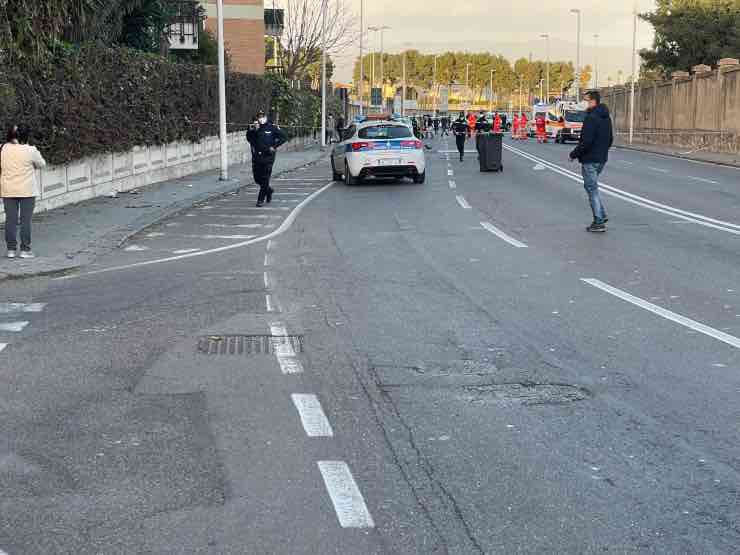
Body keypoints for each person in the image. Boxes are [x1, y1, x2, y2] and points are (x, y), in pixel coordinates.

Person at [569, 90, 614, 232]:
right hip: (601, 159)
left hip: (589, 159)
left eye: (586, 100)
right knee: (593, 187)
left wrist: (573, 154)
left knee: (591, 189)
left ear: (592, 101)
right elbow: (610, 138)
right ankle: (602, 214)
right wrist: (603, 151)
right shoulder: (606, 117)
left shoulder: (591, 118)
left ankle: (599, 221)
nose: (584, 103)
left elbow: (586, 141)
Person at [0, 124, 46, 259]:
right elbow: (42, 164)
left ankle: (11, 250)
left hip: (8, 189)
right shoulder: (30, 150)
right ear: (26, 135)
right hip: (27, 190)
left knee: (10, 220)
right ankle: (25, 250)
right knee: (25, 220)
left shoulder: (2, 148)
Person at [247, 110, 288, 207]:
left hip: (268, 157)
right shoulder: (254, 127)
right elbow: (250, 140)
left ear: (265, 117)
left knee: (265, 178)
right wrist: (254, 131)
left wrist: (274, 146)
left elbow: (284, 137)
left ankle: (260, 199)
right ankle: (268, 190)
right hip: (257, 157)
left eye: (262, 116)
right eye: (259, 116)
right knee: (257, 179)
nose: (261, 118)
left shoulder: (272, 127)